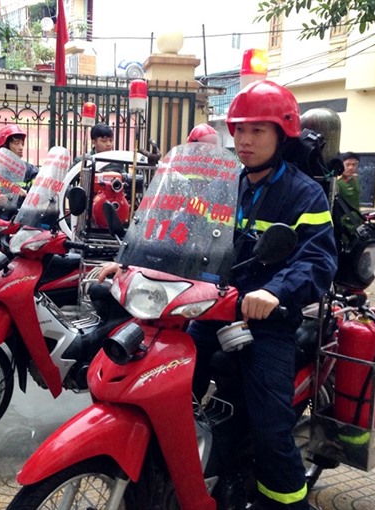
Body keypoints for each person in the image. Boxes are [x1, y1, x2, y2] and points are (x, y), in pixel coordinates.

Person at [99, 80, 337, 509]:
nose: (244, 141)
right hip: (212, 309)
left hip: (267, 322)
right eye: (239, 130)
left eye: (257, 131)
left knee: (270, 428)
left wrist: (272, 292)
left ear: (282, 134)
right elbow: (175, 234)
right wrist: (129, 261)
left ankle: (283, 502)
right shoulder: (222, 184)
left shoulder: (305, 194)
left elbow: (317, 262)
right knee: (164, 386)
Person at [0, 124, 39, 190]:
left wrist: (25, 192)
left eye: (22, 144)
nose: (21, 147)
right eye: (17, 143)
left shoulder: (29, 170)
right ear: (5, 146)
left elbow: (37, 186)